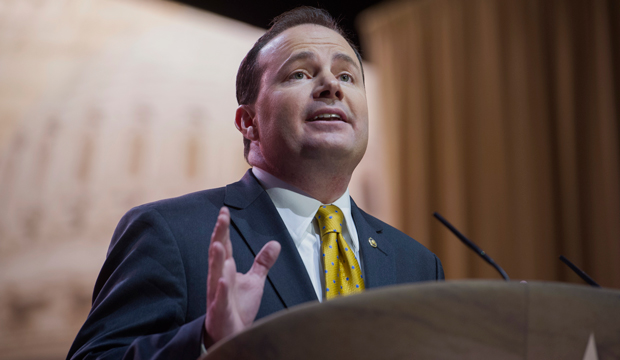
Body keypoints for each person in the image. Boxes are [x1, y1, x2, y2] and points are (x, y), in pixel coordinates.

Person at [67, 6, 444, 360]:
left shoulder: (418, 266)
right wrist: (206, 341)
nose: (331, 85)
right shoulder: (171, 234)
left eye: (347, 76)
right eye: (300, 73)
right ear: (249, 122)